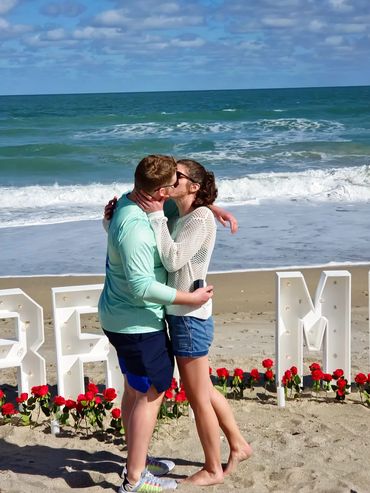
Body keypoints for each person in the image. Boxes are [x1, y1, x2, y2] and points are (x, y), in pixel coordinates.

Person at [98, 155, 214, 493]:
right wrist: (190, 299)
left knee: (136, 389)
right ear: (160, 191)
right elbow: (141, 286)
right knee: (151, 391)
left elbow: (189, 213)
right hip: (136, 321)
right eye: (169, 185)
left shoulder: (130, 203)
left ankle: (137, 458)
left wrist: (211, 209)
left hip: (126, 317)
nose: (172, 190)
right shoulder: (136, 225)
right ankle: (134, 478)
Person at [135, 159, 252, 486]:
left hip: (189, 318)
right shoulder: (185, 212)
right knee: (205, 389)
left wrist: (159, 215)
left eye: (178, 176)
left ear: (193, 186)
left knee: (197, 395)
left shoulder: (197, 218)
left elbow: (173, 258)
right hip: (185, 314)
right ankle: (239, 445)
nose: (170, 179)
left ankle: (213, 469)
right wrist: (213, 207)